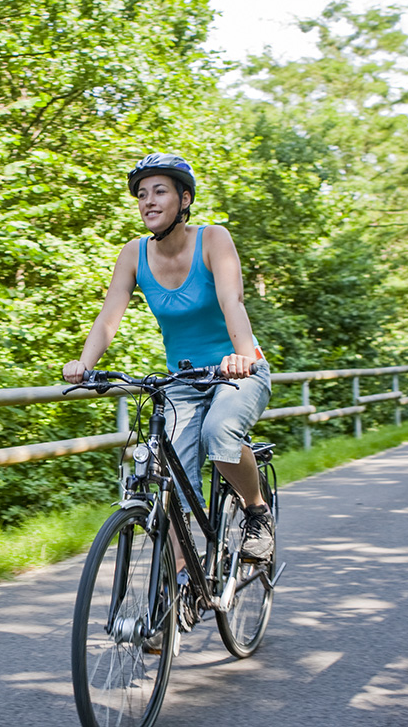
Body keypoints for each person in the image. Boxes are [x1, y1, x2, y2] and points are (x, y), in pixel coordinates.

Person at [62, 153, 274, 561]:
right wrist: (84, 364)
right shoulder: (134, 254)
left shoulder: (213, 240)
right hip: (184, 380)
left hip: (238, 371)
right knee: (171, 477)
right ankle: (181, 577)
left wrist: (243, 356)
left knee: (220, 433)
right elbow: (109, 316)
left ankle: (255, 511)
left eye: (160, 191)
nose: (149, 201)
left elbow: (233, 301)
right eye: (142, 194)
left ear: (185, 199)